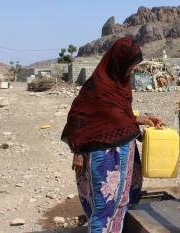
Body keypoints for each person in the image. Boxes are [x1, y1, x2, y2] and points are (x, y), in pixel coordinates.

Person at [61, 37, 164, 233]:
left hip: (124, 153)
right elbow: (78, 118)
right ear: (118, 62)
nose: (132, 70)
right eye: (131, 65)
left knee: (121, 204)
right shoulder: (97, 87)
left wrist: (141, 119)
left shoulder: (121, 86)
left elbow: (119, 115)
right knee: (103, 208)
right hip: (103, 156)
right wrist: (77, 150)